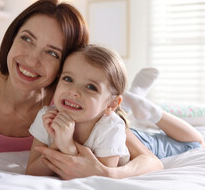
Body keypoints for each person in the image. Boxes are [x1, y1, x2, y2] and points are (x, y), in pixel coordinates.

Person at [0, 0, 192, 183]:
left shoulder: (66, 100)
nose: (31, 60)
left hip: (119, 133)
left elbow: (149, 160)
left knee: (189, 140)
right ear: (12, 35)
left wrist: (106, 172)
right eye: (27, 39)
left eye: (52, 53)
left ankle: (142, 106)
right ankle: (137, 101)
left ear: (66, 65)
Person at [26, 45, 204, 177]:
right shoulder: (46, 116)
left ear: (111, 104)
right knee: (113, 115)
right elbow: (32, 170)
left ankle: (150, 111)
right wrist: (58, 142)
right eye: (68, 78)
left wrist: (68, 146)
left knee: (195, 142)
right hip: (105, 114)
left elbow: (94, 173)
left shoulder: (111, 128)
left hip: (136, 140)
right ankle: (130, 101)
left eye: (90, 87)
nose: (74, 91)